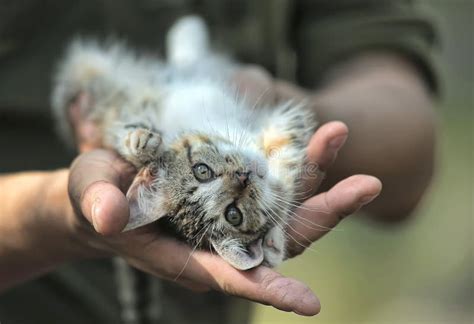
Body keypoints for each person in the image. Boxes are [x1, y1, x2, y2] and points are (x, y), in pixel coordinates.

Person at [0, 1, 437, 323]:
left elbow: (410, 148)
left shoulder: (167, 154)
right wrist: (47, 214)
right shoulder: (260, 165)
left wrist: (289, 101)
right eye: (234, 210)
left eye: (206, 174)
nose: (239, 179)